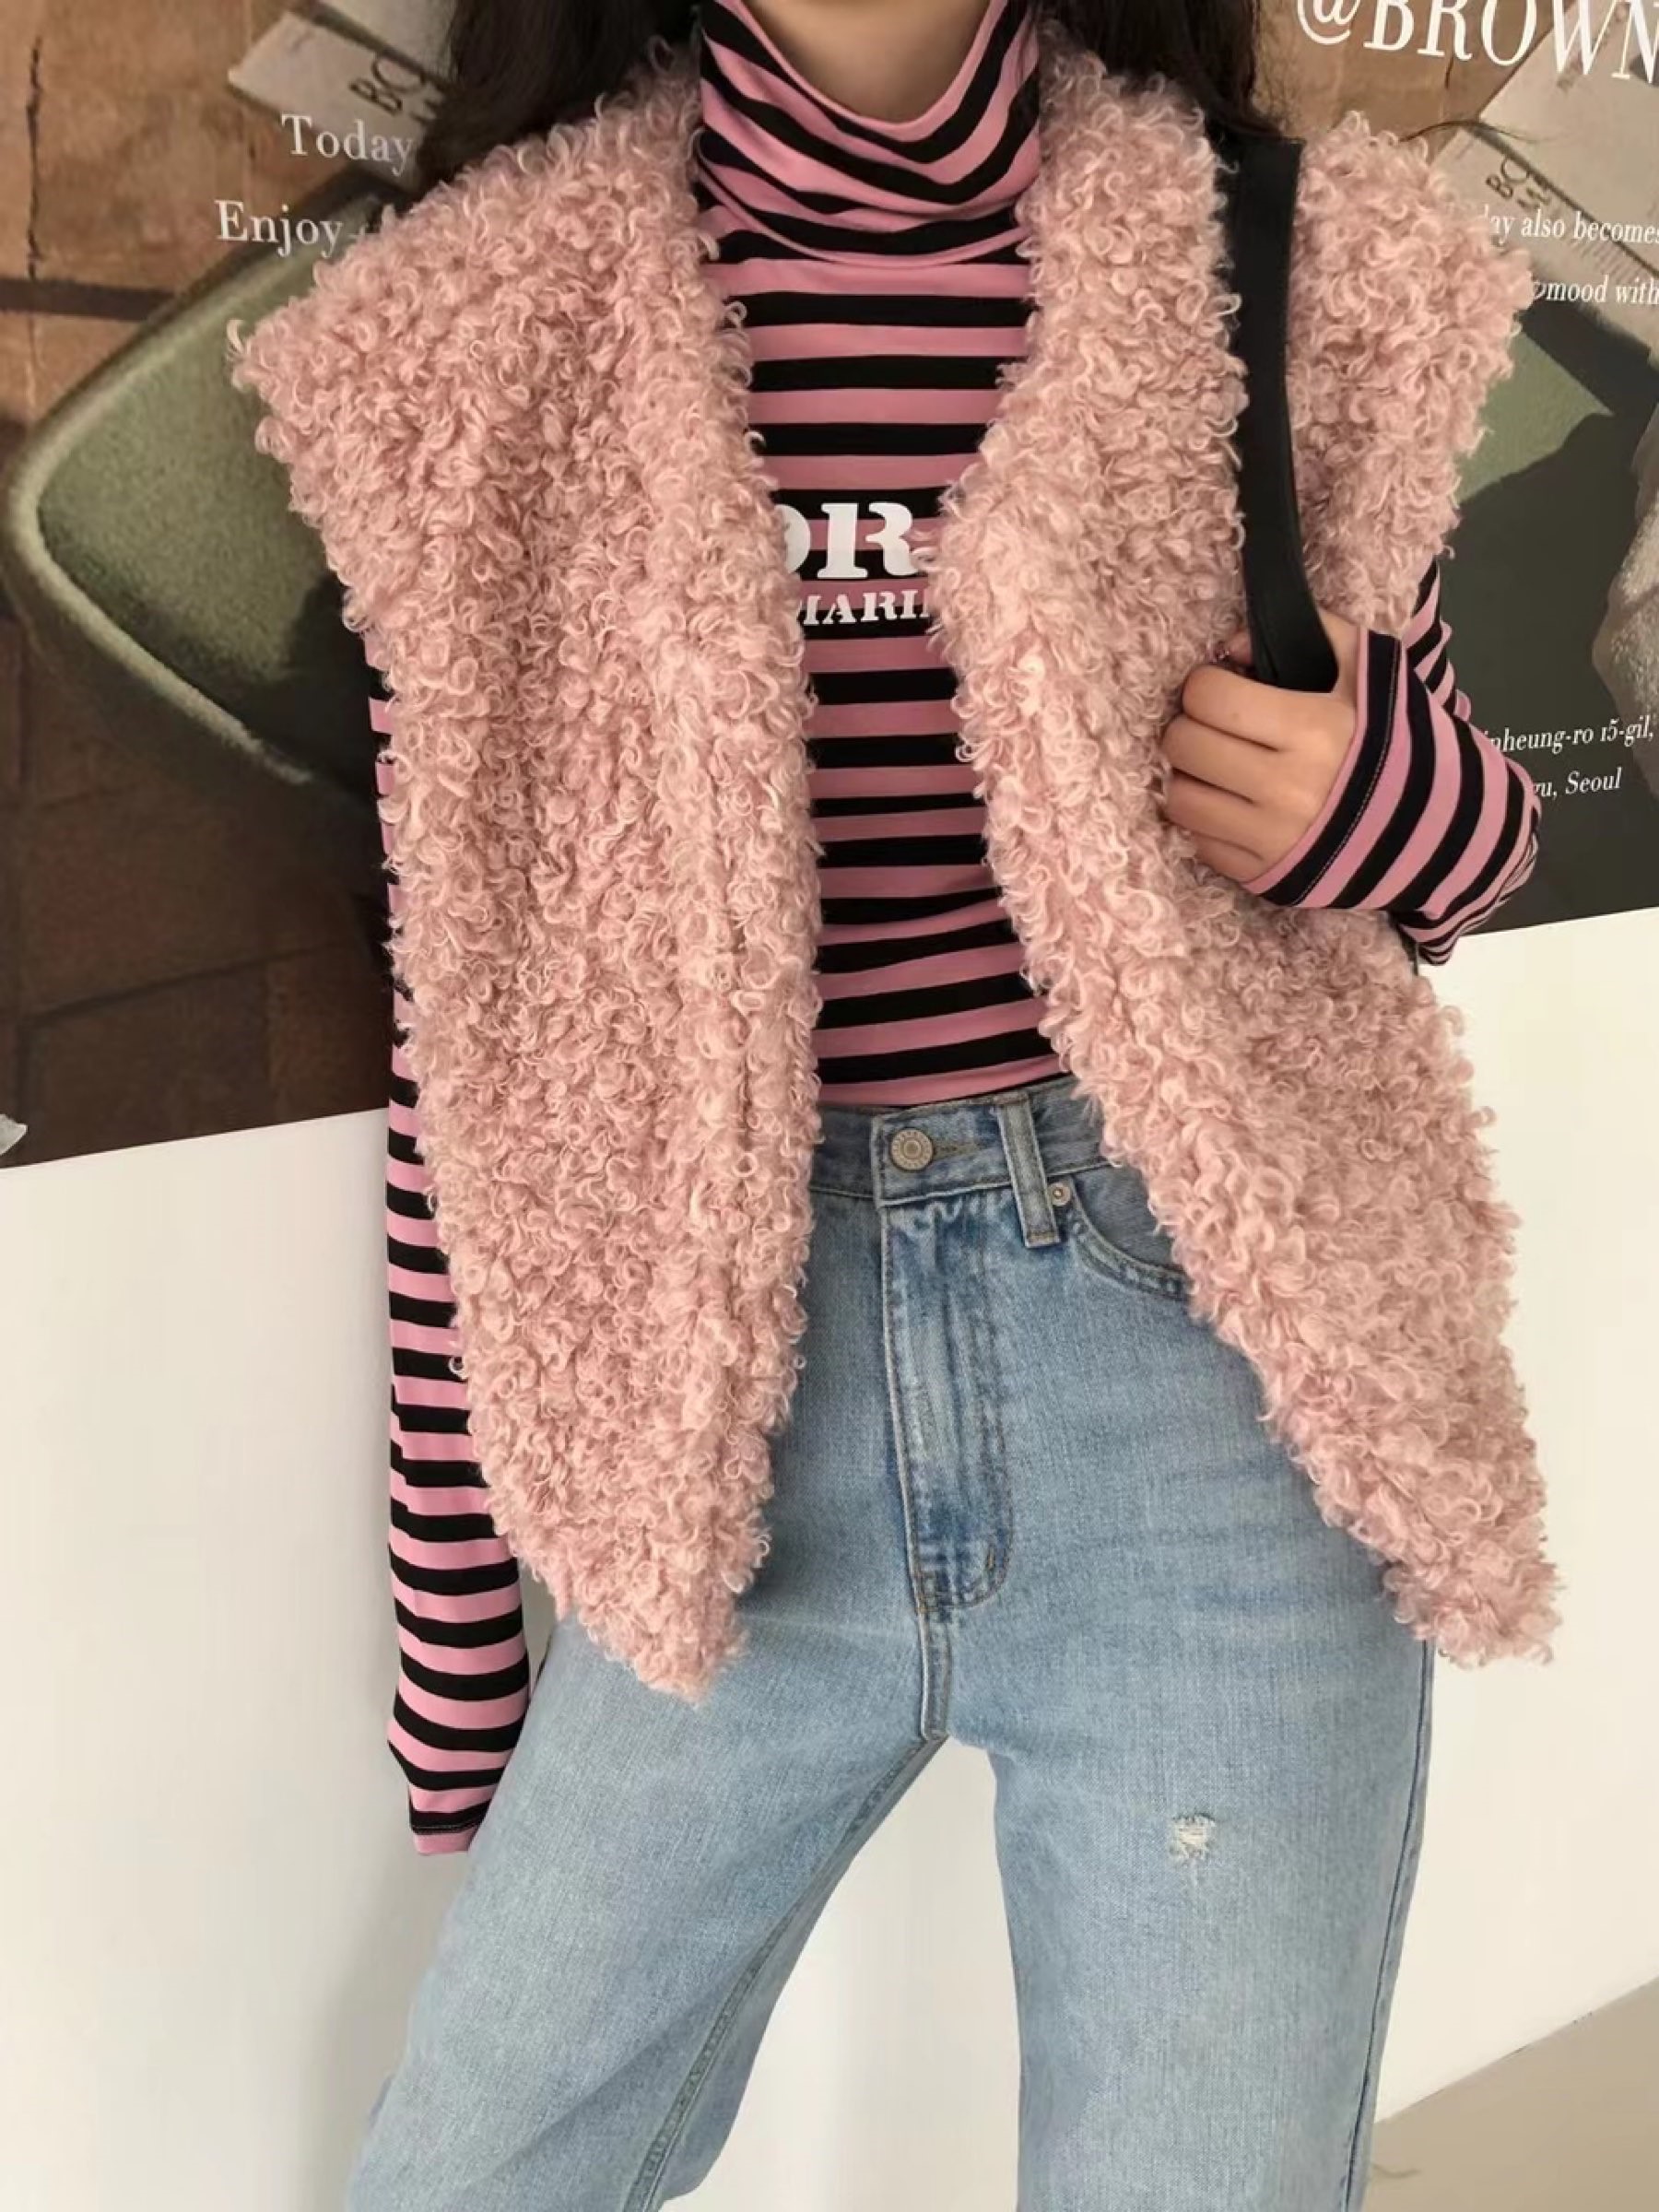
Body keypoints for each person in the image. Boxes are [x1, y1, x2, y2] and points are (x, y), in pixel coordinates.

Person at [228, 1, 1557, 2204]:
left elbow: (1451, 857)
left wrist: (1395, 804)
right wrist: (464, 1667)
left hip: (1205, 1384)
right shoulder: (484, 331)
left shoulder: (1286, 261)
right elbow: (480, 1054)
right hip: (729, 1420)